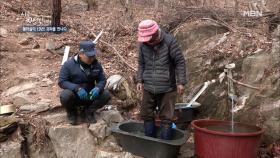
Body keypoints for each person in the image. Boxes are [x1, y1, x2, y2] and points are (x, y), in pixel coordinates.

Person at [136, 20, 187, 140]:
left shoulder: (170, 41)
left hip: (167, 87)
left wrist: (181, 82)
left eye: (149, 38)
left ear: (155, 33)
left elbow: (179, 62)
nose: (148, 41)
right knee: (147, 115)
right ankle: (150, 142)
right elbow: (141, 63)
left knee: (166, 118)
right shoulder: (143, 45)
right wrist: (139, 80)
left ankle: (164, 146)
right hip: (148, 86)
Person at [58, 40, 111, 125]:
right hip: (75, 96)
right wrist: (76, 88)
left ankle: (89, 111)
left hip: (90, 95)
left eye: (93, 55)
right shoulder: (68, 65)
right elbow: (62, 81)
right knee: (65, 96)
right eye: (89, 56)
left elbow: (102, 80)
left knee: (106, 94)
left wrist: (98, 88)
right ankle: (72, 112)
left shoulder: (96, 64)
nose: (92, 58)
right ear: (80, 54)